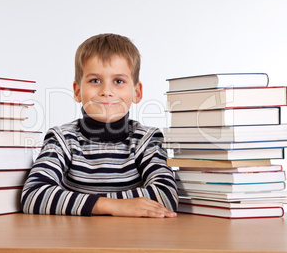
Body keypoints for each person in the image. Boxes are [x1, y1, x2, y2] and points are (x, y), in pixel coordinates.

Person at [21, 33, 178, 218]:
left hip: (132, 240)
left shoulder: (147, 139)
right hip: (76, 241)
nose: (106, 92)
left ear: (136, 92)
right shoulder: (61, 139)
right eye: (95, 81)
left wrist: (81, 203)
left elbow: (166, 195)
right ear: (77, 91)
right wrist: (113, 206)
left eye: (118, 81)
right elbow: (33, 194)